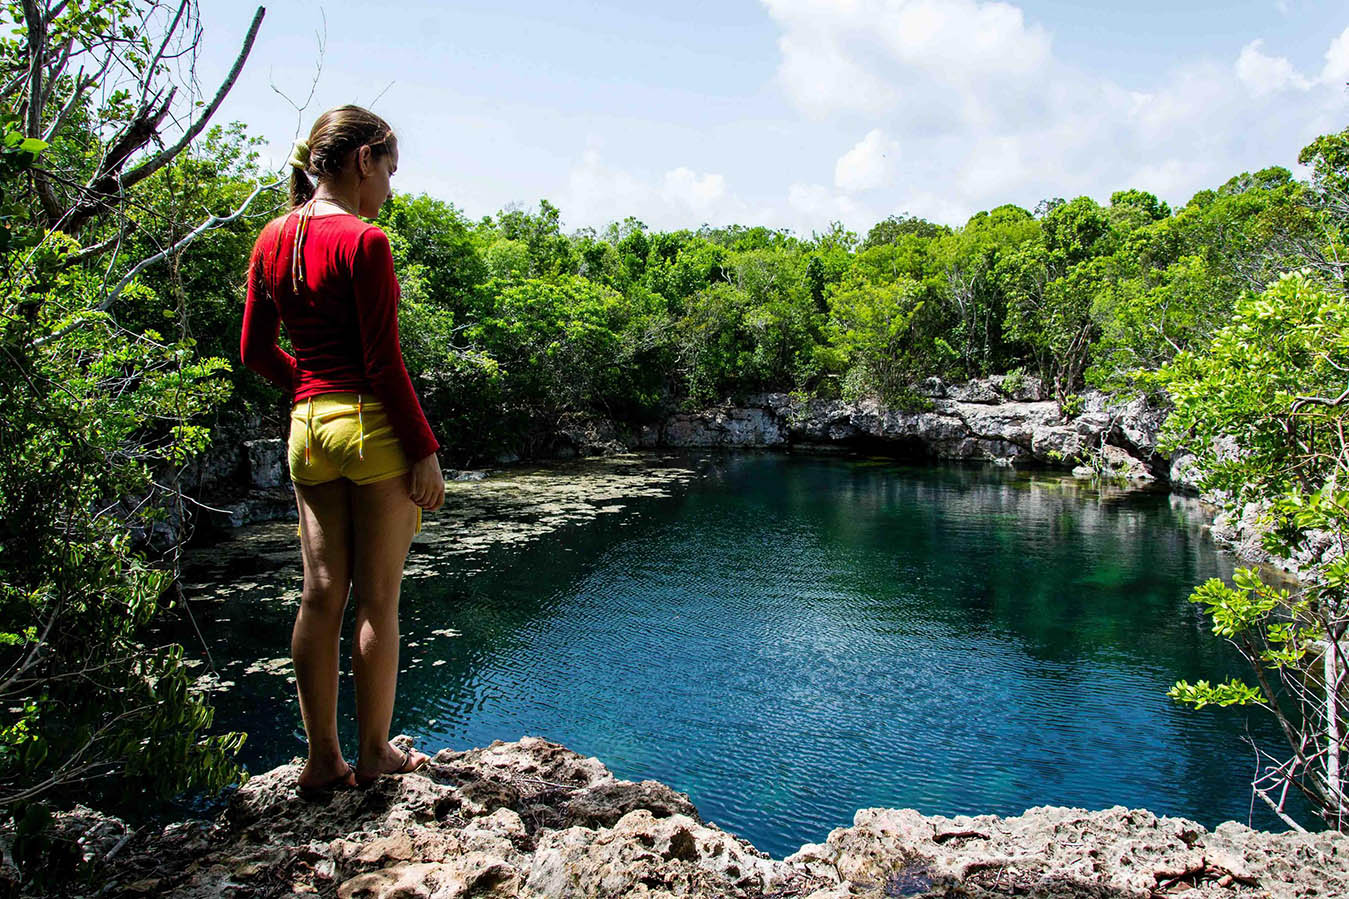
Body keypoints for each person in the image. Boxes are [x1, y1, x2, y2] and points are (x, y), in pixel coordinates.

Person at [240, 105, 445, 796]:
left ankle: (320, 759)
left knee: (319, 594)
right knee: (377, 599)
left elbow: (252, 350)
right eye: (388, 169)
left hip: (305, 429)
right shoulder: (365, 242)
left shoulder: (271, 236)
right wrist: (424, 449)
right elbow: (383, 363)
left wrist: (308, 385)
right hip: (368, 427)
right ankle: (374, 751)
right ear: (362, 161)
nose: (389, 187)